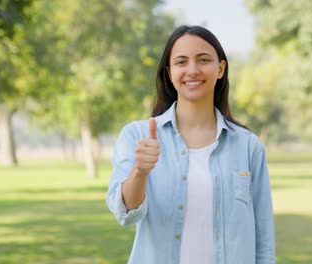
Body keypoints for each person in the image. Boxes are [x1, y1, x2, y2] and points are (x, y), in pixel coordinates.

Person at [106, 25, 275, 264]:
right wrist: (140, 171)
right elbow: (124, 214)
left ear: (220, 69)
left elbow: (264, 238)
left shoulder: (248, 146)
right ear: (169, 72)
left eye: (203, 59)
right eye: (181, 62)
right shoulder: (137, 135)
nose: (192, 70)